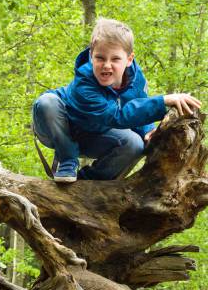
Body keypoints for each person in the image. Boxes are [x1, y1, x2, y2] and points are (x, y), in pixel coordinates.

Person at [32, 18, 201, 182]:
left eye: (115, 59)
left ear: (129, 59)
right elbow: (115, 116)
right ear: (91, 56)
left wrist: (147, 130)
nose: (107, 65)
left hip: (93, 134)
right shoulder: (84, 82)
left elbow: (139, 101)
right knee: (47, 102)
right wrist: (163, 101)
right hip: (58, 128)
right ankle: (67, 159)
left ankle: (88, 182)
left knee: (135, 144)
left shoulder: (136, 79)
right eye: (100, 58)